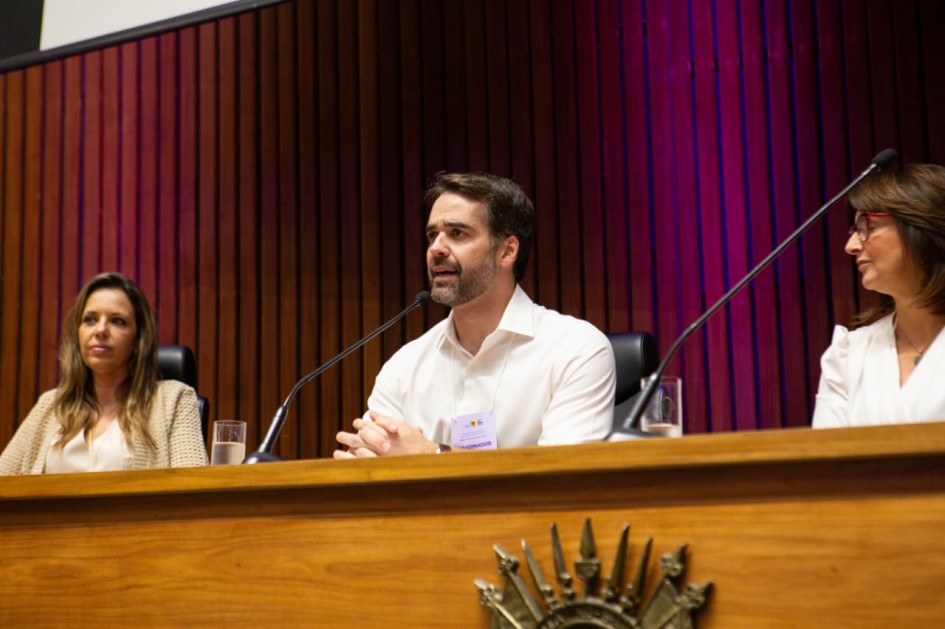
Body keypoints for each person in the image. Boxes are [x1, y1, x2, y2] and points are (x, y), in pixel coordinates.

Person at [334, 172, 616, 458]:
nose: (436, 249)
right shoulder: (404, 368)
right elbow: (372, 473)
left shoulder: (576, 349)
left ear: (507, 251)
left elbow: (565, 478)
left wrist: (433, 455)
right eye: (433, 235)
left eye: (457, 234)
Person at [0, 272, 208, 474]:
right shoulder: (51, 405)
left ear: (138, 339)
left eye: (117, 321)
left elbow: (193, 489)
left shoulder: (174, 400)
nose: (100, 330)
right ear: (78, 333)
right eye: (90, 319)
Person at [813, 163, 945, 427]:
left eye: (866, 227)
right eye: (853, 231)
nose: (850, 246)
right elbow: (829, 464)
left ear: (921, 227)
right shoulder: (849, 355)